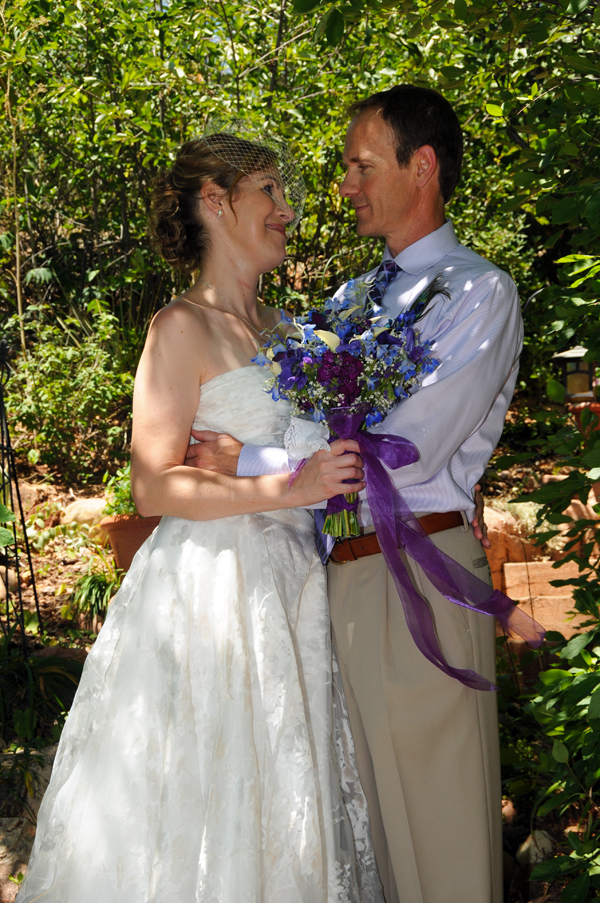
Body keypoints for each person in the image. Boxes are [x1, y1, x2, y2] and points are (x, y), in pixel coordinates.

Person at [17, 127, 385, 903]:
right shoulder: (177, 329)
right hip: (212, 591)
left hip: (295, 589)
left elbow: (320, 465)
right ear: (215, 203)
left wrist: (302, 475)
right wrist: (285, 488)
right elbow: (152, 486)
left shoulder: (292, 335)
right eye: (271, 192)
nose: (289, 209)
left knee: (291, 800)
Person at [187, 87, 523, 903]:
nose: (343, 185)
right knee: (366, 835)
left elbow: (407, 449)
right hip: (330, 578)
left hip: (421, 571)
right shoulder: (346, 302)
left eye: (359, 165)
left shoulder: (478, 294)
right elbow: (307, 418)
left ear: (423, 167)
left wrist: (249, 458)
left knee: (444, 838)